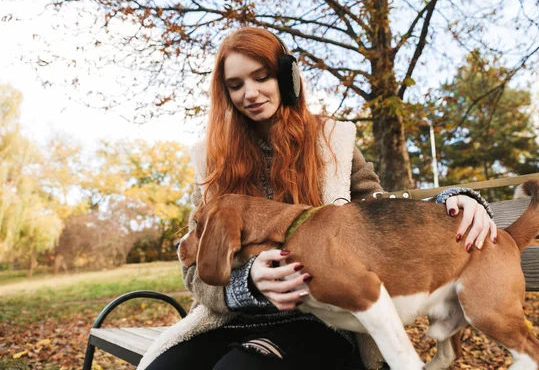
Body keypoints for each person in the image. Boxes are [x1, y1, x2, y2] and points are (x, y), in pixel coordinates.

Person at [140, 27, 497, 370]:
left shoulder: (331, 141)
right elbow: (193, 269)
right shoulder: (211, 159)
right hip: (233, 320)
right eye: (236, 85)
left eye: (260, 77)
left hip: (325, 320)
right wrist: (246, 285)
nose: (249, 93)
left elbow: (379, 214)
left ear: (287, 76)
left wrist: (452, 201)